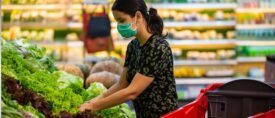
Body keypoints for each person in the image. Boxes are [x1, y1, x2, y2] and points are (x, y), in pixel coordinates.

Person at [79, 0, 178, 117]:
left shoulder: (158, 48)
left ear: (138, 16)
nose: (119, 26)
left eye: (122, 20)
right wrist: (93, 101)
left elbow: (132, 91)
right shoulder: (133, 46)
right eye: (117, 22)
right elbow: (121, 85)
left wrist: (94, 107)